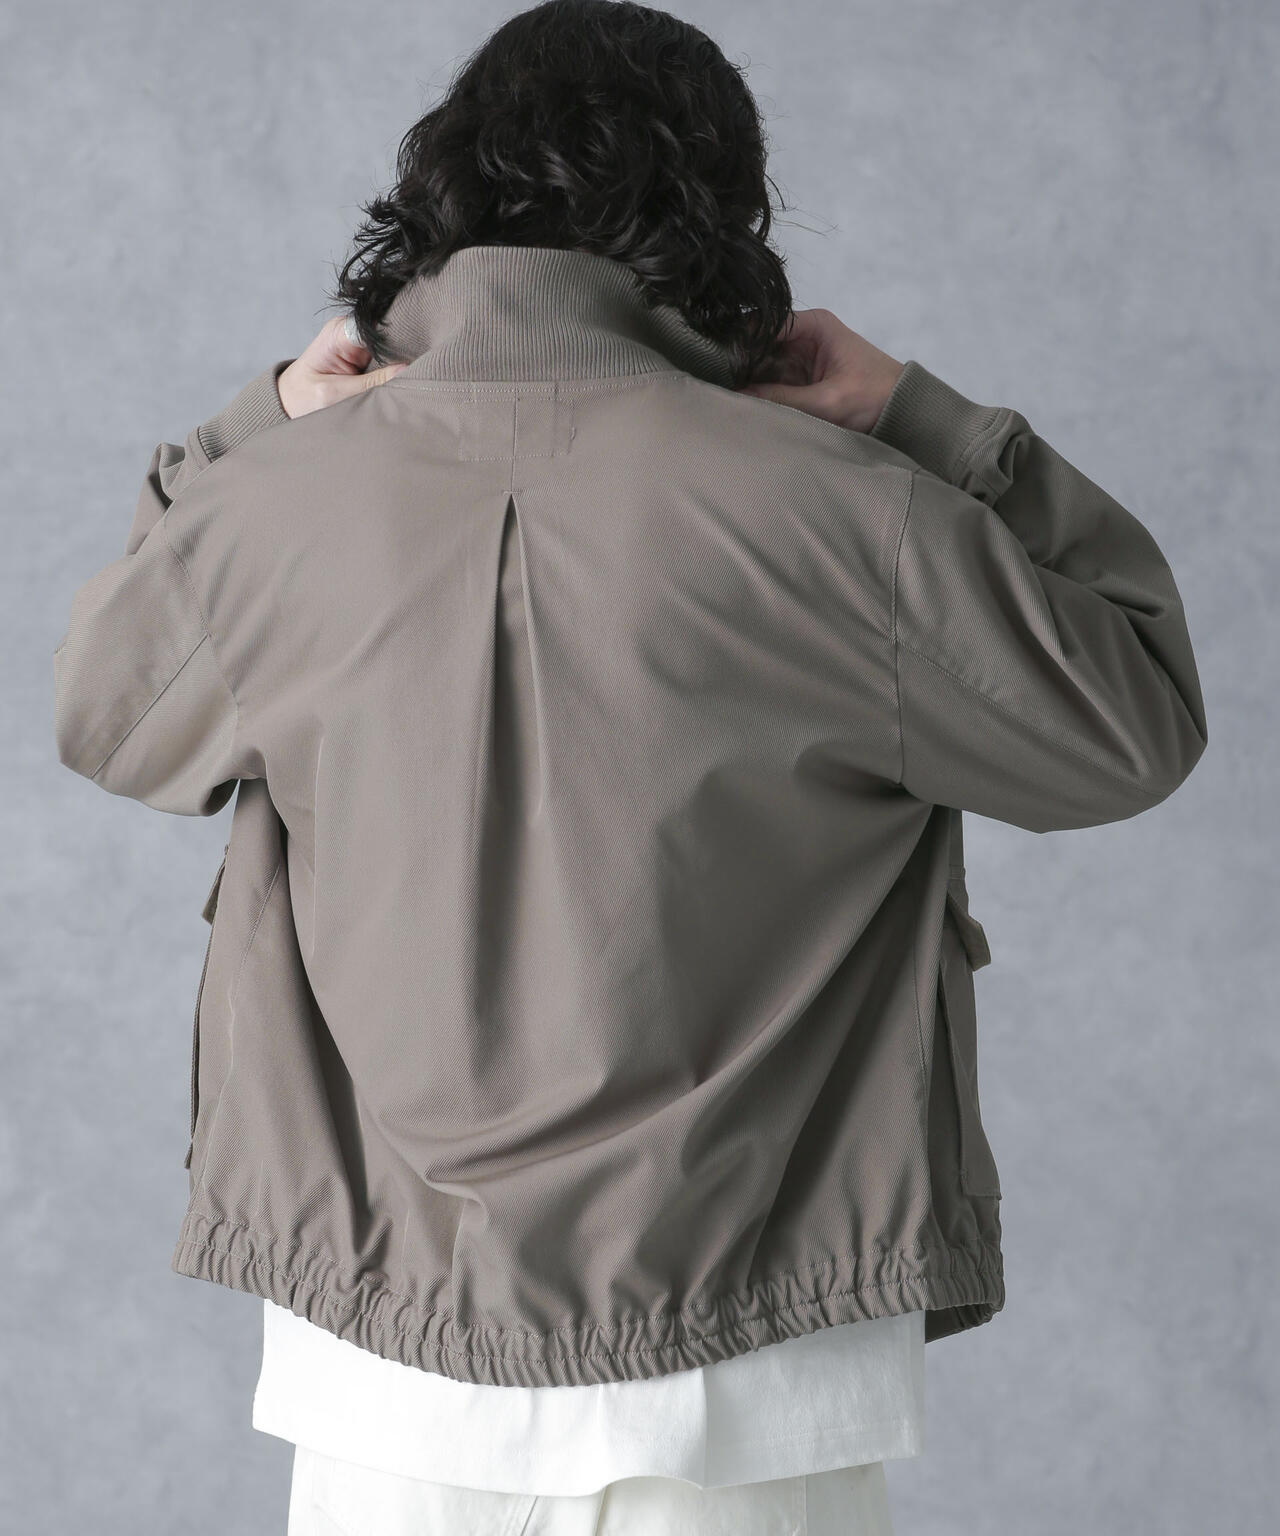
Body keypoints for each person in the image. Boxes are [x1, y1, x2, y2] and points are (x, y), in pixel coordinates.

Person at [52, 3, 1208, 1533]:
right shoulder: (848, 514)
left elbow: (108, 709)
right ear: (715, 219)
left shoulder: (278, 515)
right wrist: (927, 422)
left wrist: (254, 430)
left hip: (386, 1375)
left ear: (449, 200)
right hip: (748, 1371)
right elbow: (1132, 718)